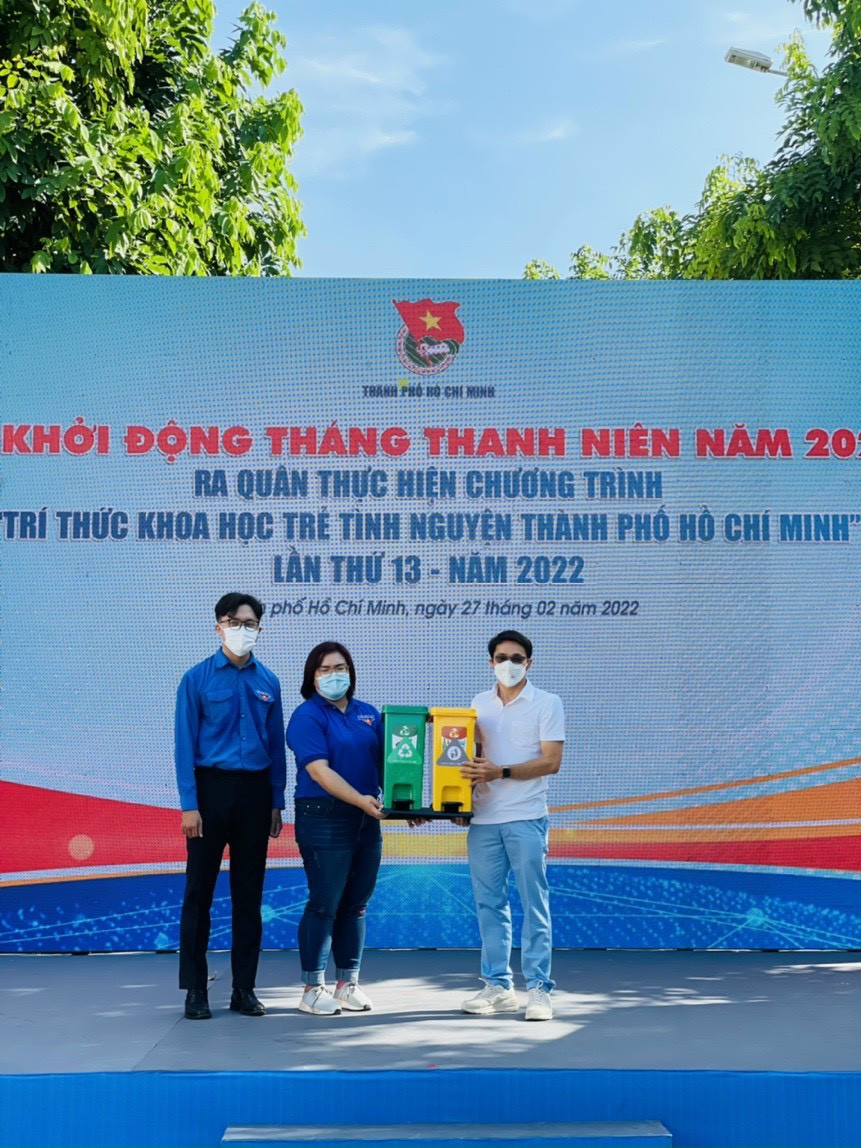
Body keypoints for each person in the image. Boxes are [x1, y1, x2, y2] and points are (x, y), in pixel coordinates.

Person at [175, 592, 286, 1020]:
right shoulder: (196, 679)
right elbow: (184, 746)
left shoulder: (268, 682)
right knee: (198, 893)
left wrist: (276, 799)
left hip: (255, 794)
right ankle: (195, 990)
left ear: (260, 629)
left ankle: (244, 989)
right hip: (210, 791)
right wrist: (190, 804)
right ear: (218, 627)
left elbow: (275, 747)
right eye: (233, 622)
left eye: (250, 623)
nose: (242, 630)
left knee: (249, 895)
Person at [459, 629, 565, 1021]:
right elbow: (471, 760)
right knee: (489, 904)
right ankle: (498, 986)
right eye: (502, 658)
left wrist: (500, 771)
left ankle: (539, 989)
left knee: (534, 903)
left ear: (529, 663)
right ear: (490, 662)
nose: (509, 664)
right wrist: (461, 803)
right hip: (484, 819)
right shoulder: (478, 704)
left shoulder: (547, 703)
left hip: (527, 817)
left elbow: (551, 761)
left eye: (517, 658)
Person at [286, 641, 385, 1016]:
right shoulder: (307, 716)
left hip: (366, 818)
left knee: (356, 904)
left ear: (351, 672)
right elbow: (319, 771)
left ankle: (347, 984)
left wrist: (403, 805)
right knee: (325, 903)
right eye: (324, 669)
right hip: (324, 816)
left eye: (340, 667)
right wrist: (360, 800)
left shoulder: (368, 714)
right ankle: (312, 989)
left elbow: (390, 764)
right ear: (312, 677)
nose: (333, 675)